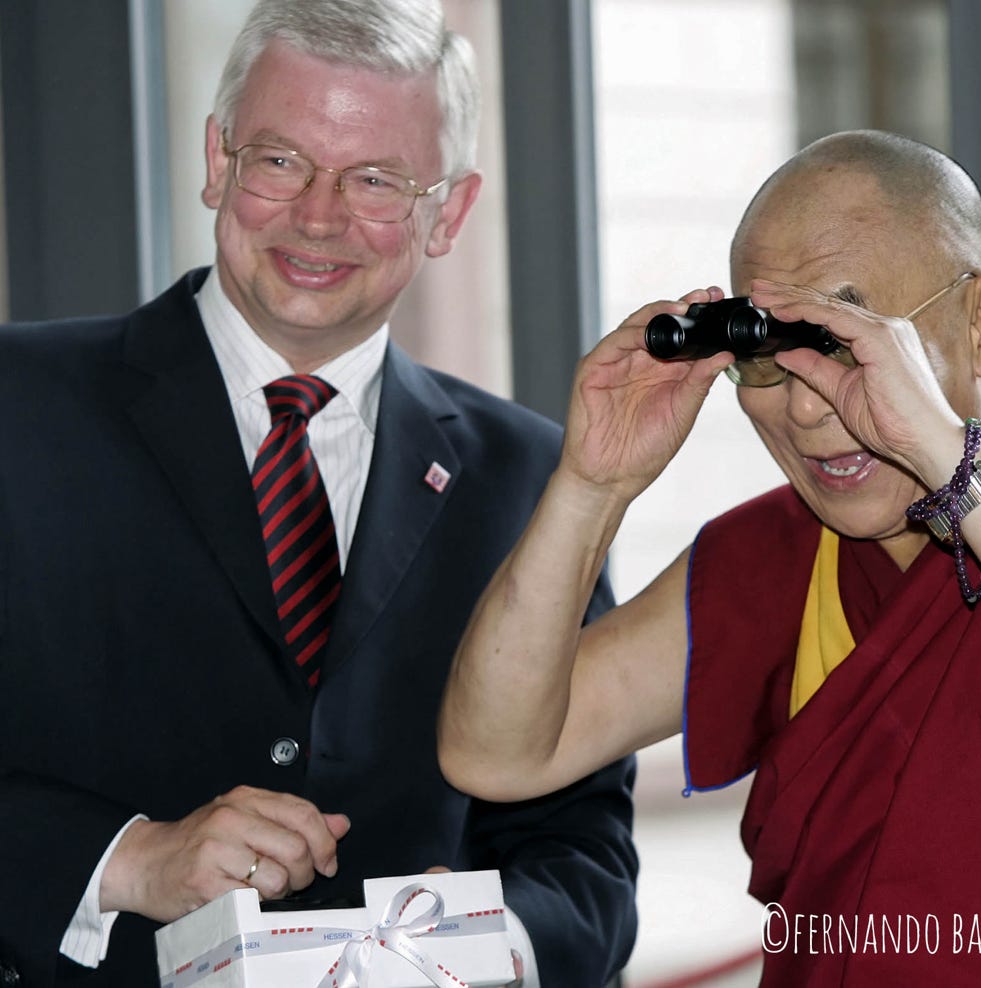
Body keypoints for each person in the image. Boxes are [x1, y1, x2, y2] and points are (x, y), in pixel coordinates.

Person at [438, 129, 981, 987]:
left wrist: (952, 462)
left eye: (844, 344)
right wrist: (592, 485)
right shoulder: (788, 551)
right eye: (765, 358)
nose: (806, 411)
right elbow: (498, 752)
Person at [0, 2, 637, 985]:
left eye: (377, 180)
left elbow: (582, 848)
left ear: (449, 213)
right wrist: (130, 858)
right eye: (280, 160)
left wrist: (491, 943)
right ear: (217, 160)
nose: (320, 217)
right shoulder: (18, 408)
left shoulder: (532, 480)